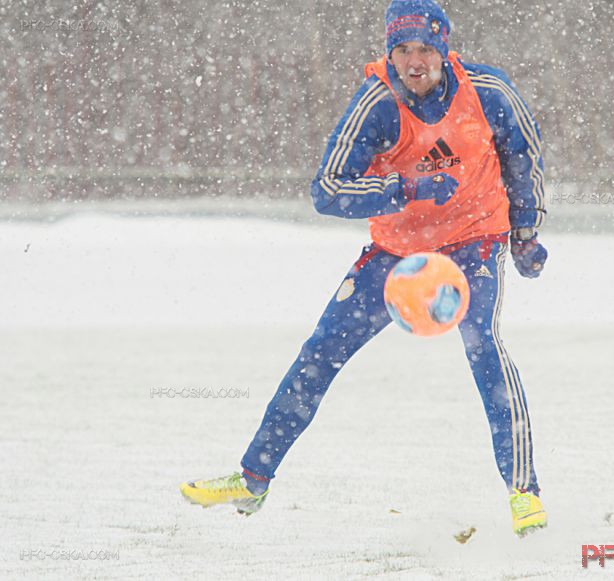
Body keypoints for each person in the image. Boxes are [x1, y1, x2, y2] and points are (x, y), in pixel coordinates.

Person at [181, 0, 549, 536]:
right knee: (320, 351)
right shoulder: (376, 105)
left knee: (483, 345)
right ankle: (253, 477)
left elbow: (524, 154)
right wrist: (405, 188)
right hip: (398, 254)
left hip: (474, 241)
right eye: (402, 50)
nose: (415, 61)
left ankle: (524, 493)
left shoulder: (488, 91)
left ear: (444, 49)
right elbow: (327, 191)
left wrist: (525, 231)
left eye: (425, 49)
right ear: (389, 54)